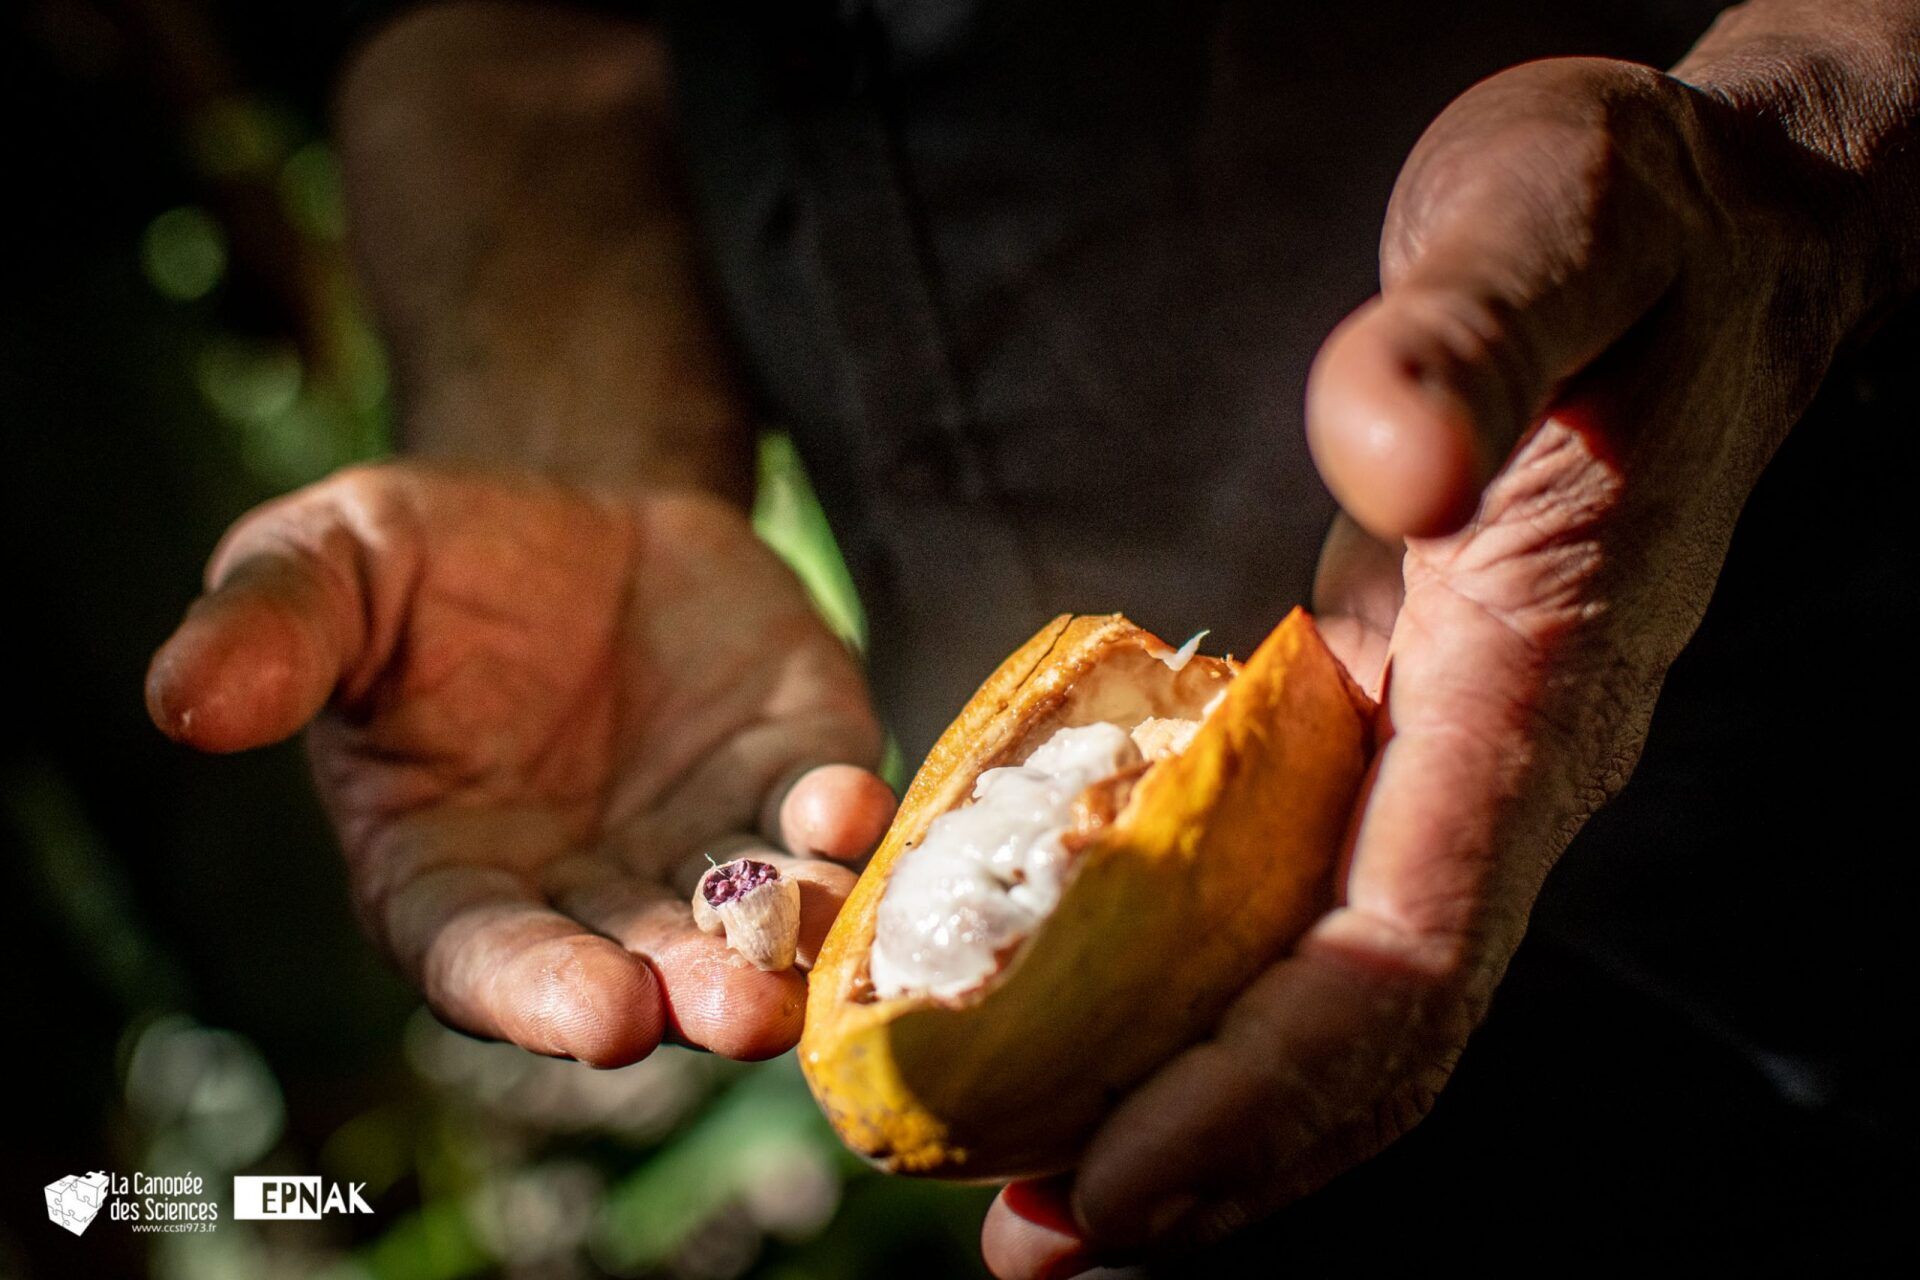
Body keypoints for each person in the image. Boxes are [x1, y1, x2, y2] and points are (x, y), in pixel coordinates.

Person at [146, 0, 1918, 1272]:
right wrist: (566, 451)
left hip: (1771, 646)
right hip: (1125, 980)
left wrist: (1800, 134)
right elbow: (506, 37)